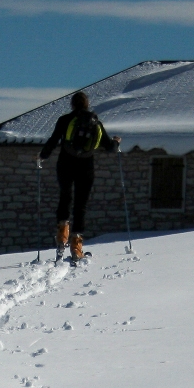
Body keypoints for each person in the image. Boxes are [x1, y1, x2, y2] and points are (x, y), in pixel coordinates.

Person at [38, 91, 120, 262]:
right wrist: (116, 142)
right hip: (86, 167)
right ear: (87, 104)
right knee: (80, 205)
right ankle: (76, 247)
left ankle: (62, 237)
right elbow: (109, 147)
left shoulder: (64, 120)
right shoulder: (95, 122)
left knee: (65, 197)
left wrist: (42, 156)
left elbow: (53, 141)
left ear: (72, 104)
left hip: (65, 164)